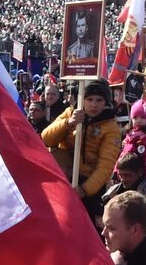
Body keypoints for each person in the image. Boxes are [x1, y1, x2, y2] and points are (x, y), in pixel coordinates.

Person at [42, 80, 121, 219]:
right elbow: (46, 138)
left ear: (106, 102)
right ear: (82, 99)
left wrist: (84, 190)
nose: (94, 104)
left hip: (88, 187)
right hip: (63, 178)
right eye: (89, 99)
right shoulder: (71, 112)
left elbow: (105, 165)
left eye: (99, 100)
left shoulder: (111, 127)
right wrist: (68, 123)